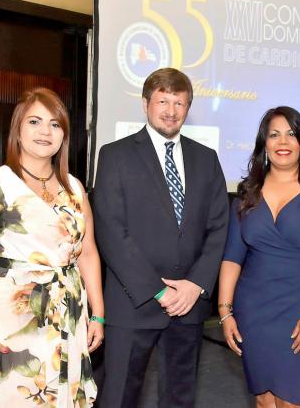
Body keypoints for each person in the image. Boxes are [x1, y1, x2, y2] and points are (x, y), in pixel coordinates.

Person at [0, 87, 104, 407]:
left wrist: (98, 314)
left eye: (55, 124)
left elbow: (88, 252)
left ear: (63, 135)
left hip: (67, 317)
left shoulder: (75, 187)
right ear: (18, 131)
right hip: (8, 322)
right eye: (35, 122)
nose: (45, 131)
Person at [94, 68, 229, 408]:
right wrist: (158, 290)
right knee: (119, 398)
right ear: (146, 104)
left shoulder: (206, 159)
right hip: (133, 303)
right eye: (163, 101)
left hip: (188, 306)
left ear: (188, 108)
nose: (171, 111)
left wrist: (195, 285)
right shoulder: (115, 155)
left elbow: (218, 227)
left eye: (179, 103)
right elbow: (111, 230)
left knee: (179, 399)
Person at [218, 106, 300, 408]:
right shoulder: (247, 195)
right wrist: (225, 312)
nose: (283, 142)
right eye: (274, 134)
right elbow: (231, 258)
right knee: (264, 401)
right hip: (254, 312)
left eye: (291, 134)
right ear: (264, 144)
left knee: (293, 401)